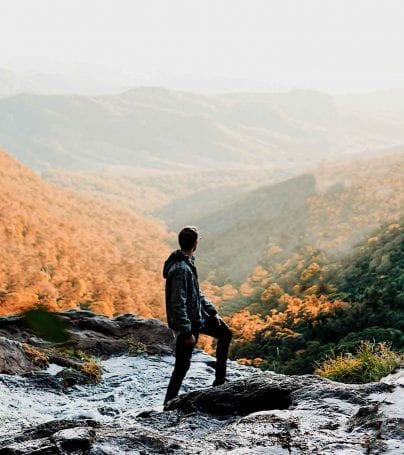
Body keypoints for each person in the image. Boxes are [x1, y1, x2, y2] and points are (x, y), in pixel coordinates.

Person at [163, 225, 233, 405]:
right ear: (195, 243)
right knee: (182, 366)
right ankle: (168, 403)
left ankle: (219, 382)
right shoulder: (181, 268)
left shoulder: (187, 262)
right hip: (189, 323)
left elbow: (196, 293)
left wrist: (212, 311)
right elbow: (177, 302)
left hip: (199, 316)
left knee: (225, 333)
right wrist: (186, 333)